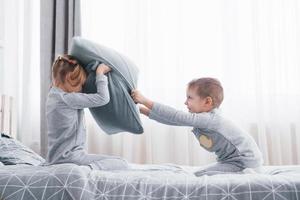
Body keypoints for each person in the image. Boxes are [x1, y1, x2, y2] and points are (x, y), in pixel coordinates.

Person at [131, 77, 263, 176]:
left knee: (198, 175)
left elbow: (176, 116)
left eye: (189, 98)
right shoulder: (204, 119)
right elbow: (174, 121)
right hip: (232, 161)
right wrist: (143, 111)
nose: (185, 102)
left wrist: (145, 101)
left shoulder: (210, 119)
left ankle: (247, 174)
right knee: (200, 173)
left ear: (207, 101)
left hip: (244, 163)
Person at [46, 55, 129, 170]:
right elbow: (103, 98)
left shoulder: (52, 96)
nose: (81, 88)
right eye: (80, 84)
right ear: (69, 78)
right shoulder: (68, 98)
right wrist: (100, 73)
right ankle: (88, 169)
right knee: (122, 163)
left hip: (55, 158)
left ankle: (87, 167)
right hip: (70, 158)